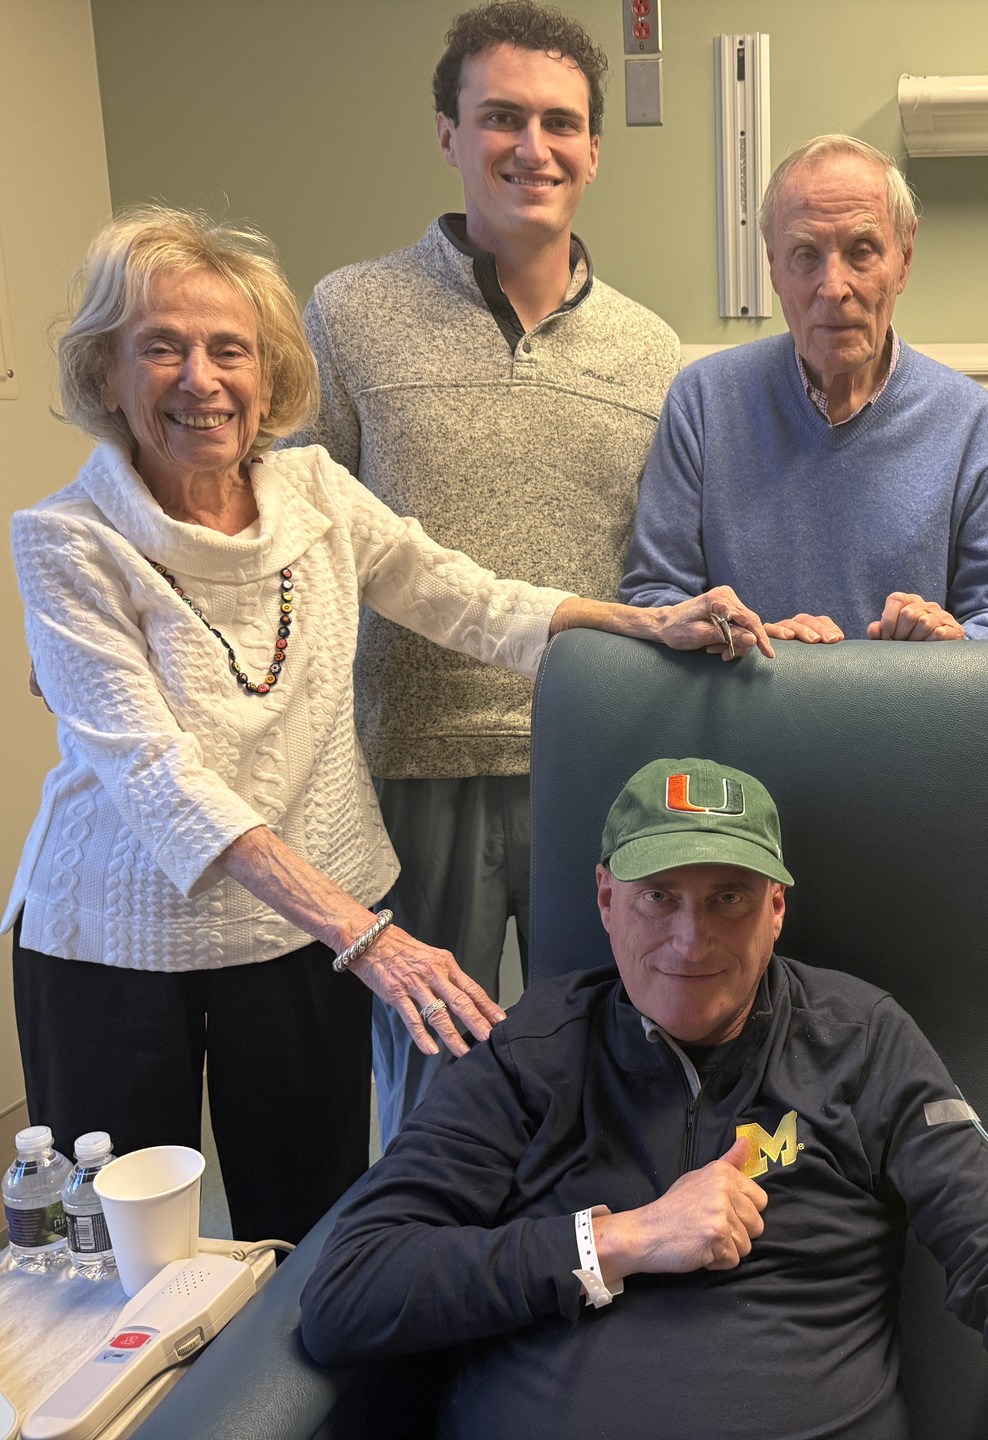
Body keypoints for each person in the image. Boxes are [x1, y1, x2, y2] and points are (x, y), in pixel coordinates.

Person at [5, 208, 768, 1245]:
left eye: (229, 349)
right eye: (161, 349)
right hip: (115, 942)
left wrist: (645, 620)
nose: (200, 379)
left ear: (269, 373)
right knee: (122, 1246)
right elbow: (158, 778)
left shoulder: (316, 491)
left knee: (307, 1221)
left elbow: (469, 599)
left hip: (296, 940)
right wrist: (365, 934)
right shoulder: (64, 543)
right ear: (106, 374)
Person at [301, 755, 988, 1438]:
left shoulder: (862, 1041)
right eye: (659, 896)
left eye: (729, 898)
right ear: (605, 899)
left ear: (776, 909)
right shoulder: (532, 1052)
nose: (691, 941)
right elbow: (350, 1289)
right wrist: (622, 1241)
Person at [286, 0, 683, 1143]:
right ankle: (431, 1280)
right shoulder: (351, 311)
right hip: (415, 762)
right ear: (451, 137)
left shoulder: (651, 352)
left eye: (560, 122)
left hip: (591, 756)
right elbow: (302, 537)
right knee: (436, 1071)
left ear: (595, 151)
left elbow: (656, 566)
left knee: (602, 1051)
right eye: (500, 116)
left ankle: (587, 1270)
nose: (532, 146)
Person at [621, 134, 988, 646]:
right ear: (774, 266)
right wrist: (744, 639)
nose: (834, 287)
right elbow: (651, 602)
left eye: (861, 251)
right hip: (745, 715)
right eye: (805, 255)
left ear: (904, 259)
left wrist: (949, 647)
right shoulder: (703, 404)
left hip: (909, 722)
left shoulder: (973, 425)